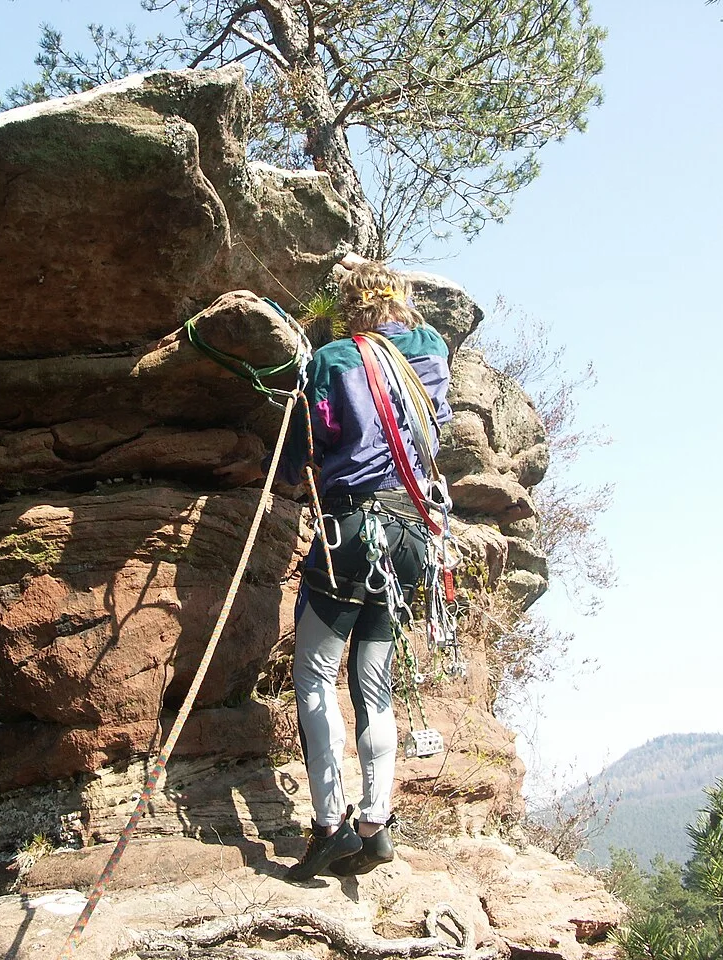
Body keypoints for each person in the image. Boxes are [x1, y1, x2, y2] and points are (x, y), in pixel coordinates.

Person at [274, 259, 453, 881]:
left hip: (351, 529)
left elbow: (307, 447)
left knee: (315, 669)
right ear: (400, 301)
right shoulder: (430, 349)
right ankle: (376, 823)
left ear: (351, 306)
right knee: (373, 681)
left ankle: (329, 826)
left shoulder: (331, 360)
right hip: (414, 532)